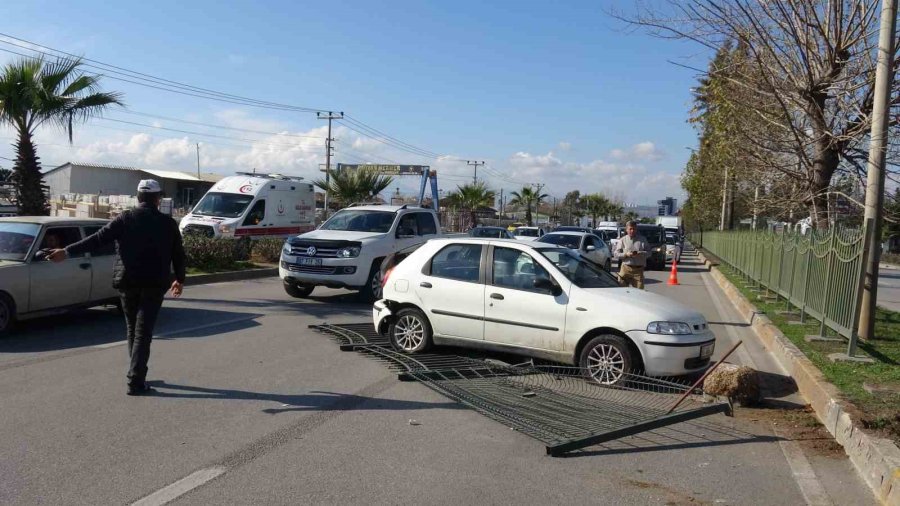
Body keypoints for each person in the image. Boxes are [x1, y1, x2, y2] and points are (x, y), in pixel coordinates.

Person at [48, 180, 186, 396]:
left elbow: (96, 240)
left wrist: (67, 251)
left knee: (133, 330)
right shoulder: (168, 223)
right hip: (153, 284)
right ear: (158, 199)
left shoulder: (126, 219)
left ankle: (136, 374)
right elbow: (178, 253)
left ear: (139, 197)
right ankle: (136, 380)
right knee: (143, 333)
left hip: (128, 282)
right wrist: (180, 278)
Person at [613, 220, 649, 289]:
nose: (632, 231)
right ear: (626, 230)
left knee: (639, 293)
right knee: (622, 291)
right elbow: (616, 254)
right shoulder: (622, 240)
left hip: (638, 270)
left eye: (634, 229)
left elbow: (649, 253)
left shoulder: (642, 240)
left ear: (636, 229)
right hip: (625, 269)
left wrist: (640, 253)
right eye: (630, 229)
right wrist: (626, 254)